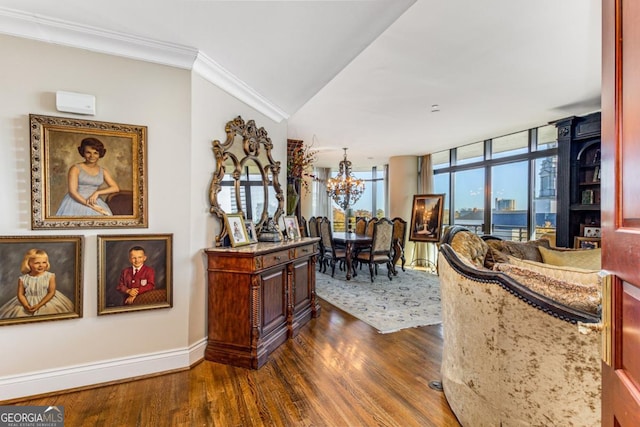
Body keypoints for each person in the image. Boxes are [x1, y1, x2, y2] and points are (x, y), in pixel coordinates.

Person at [0, 249, 74, 318]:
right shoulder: (23, 279)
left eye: (44, 262)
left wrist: (39, 305)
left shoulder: (50, 276)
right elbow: (20, 294)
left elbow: (51, 292)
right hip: (27, 301)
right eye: (37, 263)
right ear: (28, 264)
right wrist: (26, 305)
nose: (41, 265)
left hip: (46, 300)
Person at [56, 137, 119, 216]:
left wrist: (97, 193)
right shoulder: (75, 168)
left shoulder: (103, 171)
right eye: (88, 152)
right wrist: (92, 206)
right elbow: (73, 192)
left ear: (100, 154)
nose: (92, 156)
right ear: (83, 153)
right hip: (77, 201)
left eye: (95, 153)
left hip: (94, 200)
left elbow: (115, 188)